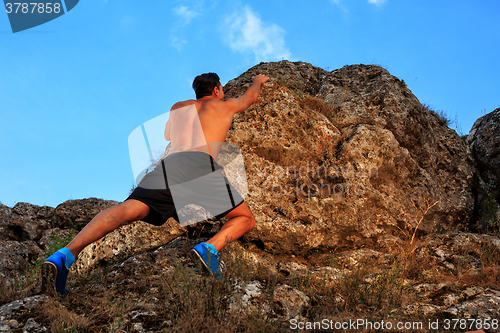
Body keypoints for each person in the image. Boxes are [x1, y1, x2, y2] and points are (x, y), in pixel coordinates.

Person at [42, 72, 270, 296]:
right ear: (217, 90)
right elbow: (249, 98)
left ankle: (65, 254)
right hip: (200, 164)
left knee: (127, 210)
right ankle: (209, 249)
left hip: (169, 165)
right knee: (245, 218)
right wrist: (257, 81)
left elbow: (167, 134)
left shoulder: (178, 107)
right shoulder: (224, 105)